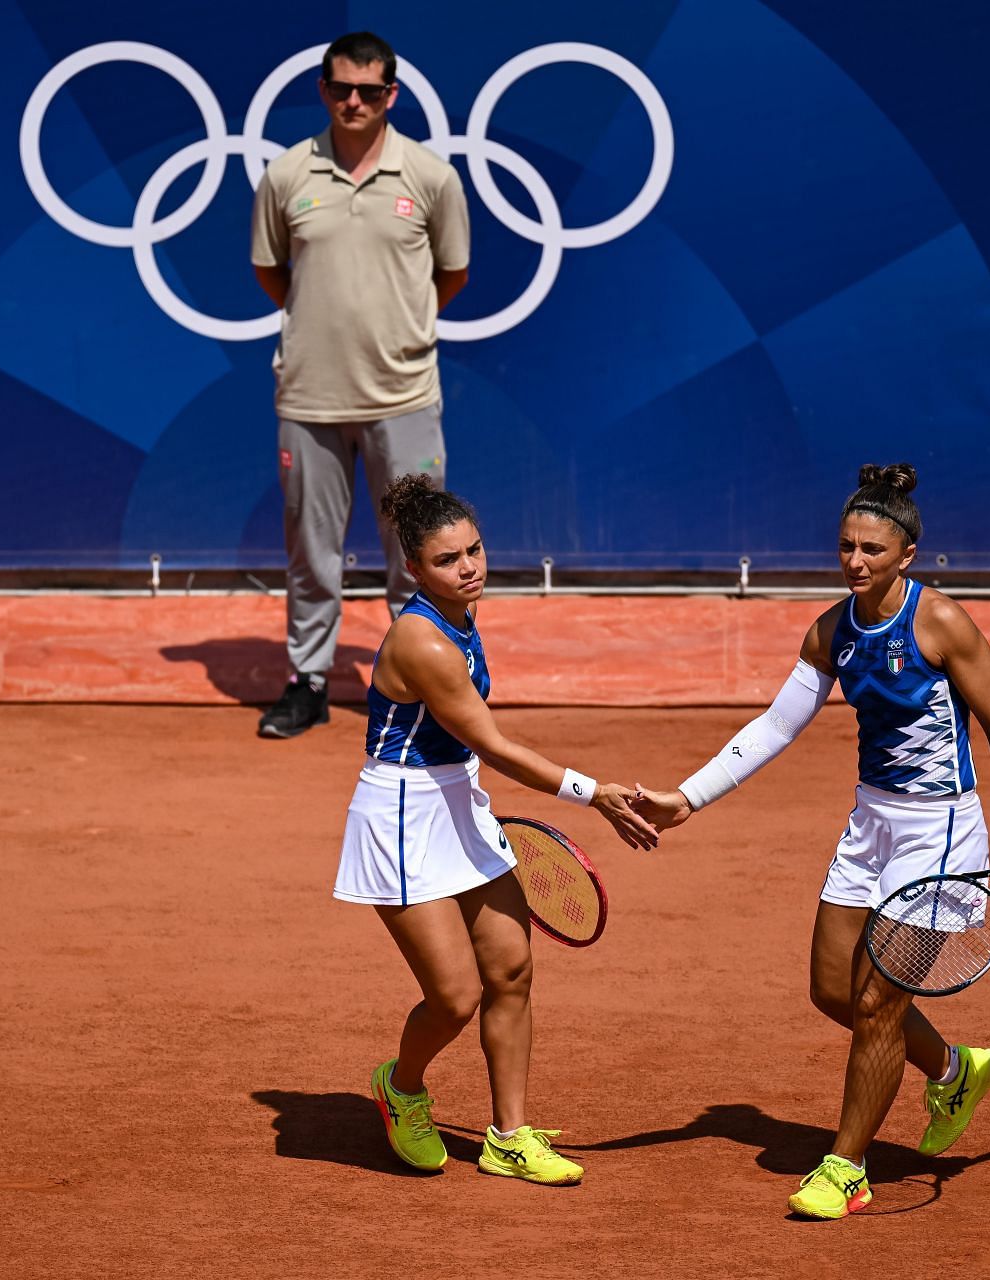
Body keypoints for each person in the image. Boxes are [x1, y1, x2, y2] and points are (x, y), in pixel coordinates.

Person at [634, 463, 990, 1219]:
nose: (855, 561)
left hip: (940, 830)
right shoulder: (831, 630)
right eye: (846, 546)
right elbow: (776, 726)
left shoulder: (942, 623)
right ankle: (952, 1070)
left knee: (879, 1001)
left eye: (872, 551)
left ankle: (845, 1166)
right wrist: (688, 798)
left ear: (907, 556)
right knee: (832, 990)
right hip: (870, 824)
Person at [337, 473, 659, 1184]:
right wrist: (591, 792)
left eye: (475, 551)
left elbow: (473, 754)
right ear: (414, 570)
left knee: (510, 970)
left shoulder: (462, 616)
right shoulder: (424, 642)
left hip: (460, 803)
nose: (470, 567)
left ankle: (508, 1138)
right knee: (455, 995)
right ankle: (403, 1086)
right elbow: (495, 744)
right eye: (449, 561)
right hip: (401, 818)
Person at [250, 31, 471, 739]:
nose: (354, 101)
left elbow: (452, 274)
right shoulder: (286, 175)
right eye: (342, 88)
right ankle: (308, 680)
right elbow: (271, 273)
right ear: (322, 90)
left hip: (403, 395)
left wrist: (395, 331)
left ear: (391, 96)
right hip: (310, 397)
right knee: (309, 551)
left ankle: (424, 684)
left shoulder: (431, 177)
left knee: (422, 555)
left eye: (370, 91)